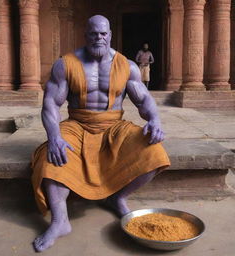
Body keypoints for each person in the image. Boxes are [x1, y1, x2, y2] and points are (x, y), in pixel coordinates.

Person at [31, 15, 170, 252]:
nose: (99, 38)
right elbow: (51, 105)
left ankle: (117, 197)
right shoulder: (65, 64)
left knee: (154, 152)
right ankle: (60, 220)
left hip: (114, 125)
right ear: (85, 35)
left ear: (110, 35)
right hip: (78, 123)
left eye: (103, 34)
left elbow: (144, 99)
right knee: (50, 157)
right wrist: (54, 136)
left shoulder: (127, 65)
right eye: (94, 33)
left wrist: (155, 119)